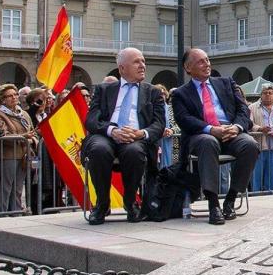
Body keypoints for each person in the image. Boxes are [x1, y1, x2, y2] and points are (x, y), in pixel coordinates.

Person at [172, 48, 258, 225]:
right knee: (208, 142)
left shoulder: (226, 83)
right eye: (201, 62)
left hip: (230, 132)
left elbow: (243, 109)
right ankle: (213, 204)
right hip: (202, 135)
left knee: (250, 144)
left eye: (208, 60)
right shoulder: (180, 93)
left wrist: (237, 127)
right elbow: (184, 120)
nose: (207, 64)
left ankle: (231, 199)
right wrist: (211, 129)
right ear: (188, 68)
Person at [82, 48, 165, 225]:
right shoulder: (104, 89)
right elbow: (91, 120)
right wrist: (113, 131)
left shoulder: (153, 92)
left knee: (134, 152)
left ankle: (130, 202)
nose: (142, 65)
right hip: (107, 134)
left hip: (136, 137)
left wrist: (140, 133)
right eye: (136, 62)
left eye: (143, 61)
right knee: (99, 149)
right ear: (121, 68)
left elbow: (159, 124)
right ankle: (102, 205)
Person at [0, 83, 37, 214]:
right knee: (6, 187)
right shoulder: (0, 114)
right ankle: (3, 213)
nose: (14, 97)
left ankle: (16, 212)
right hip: (8, 154)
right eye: (9, 96)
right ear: (2, 99)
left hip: (24, 155)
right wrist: (24, 136)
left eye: (15, 94)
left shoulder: (23, 114)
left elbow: (32, 131)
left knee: (18, 187)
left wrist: (32, 139)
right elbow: (3, 135)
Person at [249, 85, 273, 193]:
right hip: (258, 146)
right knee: (256, 176)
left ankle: (271, 197)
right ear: (261, 95)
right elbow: (248, 123)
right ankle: (255, 198)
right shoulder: (252, 107)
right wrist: (260, 128)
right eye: (265, 93)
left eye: (270, 93)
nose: (268, 95)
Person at [154, 84, 178, 170]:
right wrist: (159, 131)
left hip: (173, 145)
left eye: (164, 93)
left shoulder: (173, 109)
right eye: (159, 93)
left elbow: (180, 125)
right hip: (155, 143)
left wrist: (171, 131)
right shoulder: (150, 109)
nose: (162, 95)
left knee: (171, 171)